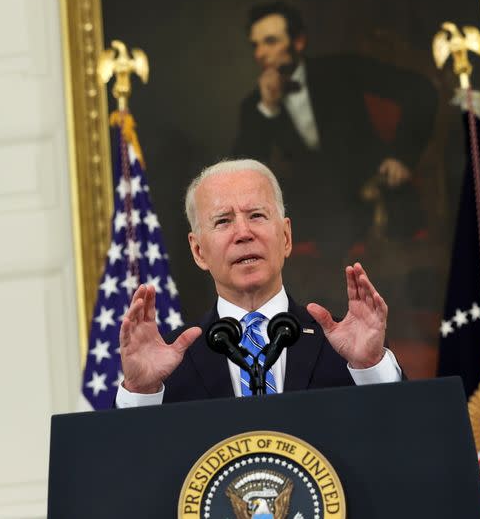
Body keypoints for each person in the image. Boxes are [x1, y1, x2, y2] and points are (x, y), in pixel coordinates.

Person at [115, 159, 401, 407]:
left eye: (256, 215)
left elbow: (404, 434)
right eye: (223, 221)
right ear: (199, 251)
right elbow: (128, 462)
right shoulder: (167, 364)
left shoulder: (348, 347)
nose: (243, 233)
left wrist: (370, 366)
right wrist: (141, 392)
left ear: (286, 237)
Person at [233, 1, 437, 253]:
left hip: (377, 195)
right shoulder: (255, 105)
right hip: (316, 213)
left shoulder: (342, 70)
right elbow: (245, 172)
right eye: (256, 45)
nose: (260, 53)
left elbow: (421, 91)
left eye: (271, 41)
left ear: (298, 42)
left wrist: (402, 156)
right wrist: (268, 108)